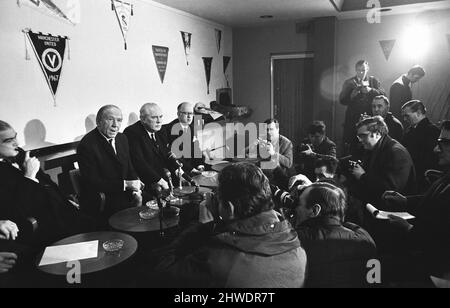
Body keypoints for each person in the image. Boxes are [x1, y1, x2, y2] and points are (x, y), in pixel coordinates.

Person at [149, 162, 307, 288]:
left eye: (218, 197)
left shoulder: (217, 261)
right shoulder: (298, 248)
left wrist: (201, 227)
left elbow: (162, 272)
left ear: (229, 208)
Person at [1, 120, 92, 247]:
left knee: (101, 231)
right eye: (8, 140)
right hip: (42, 227)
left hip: (62, 212)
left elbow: (48, 183)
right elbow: (17, 212)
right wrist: (29, 177)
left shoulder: (21, 154)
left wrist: (65, 200)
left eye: (15, 137)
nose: (17, 143)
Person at [382, 120, 450, 286]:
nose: (436, 149)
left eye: (444, 143)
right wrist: (405, 201)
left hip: (436, 270)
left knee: (375, 269)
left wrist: (408, 229)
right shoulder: (447, 174)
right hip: (425, 257)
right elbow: (435, 201)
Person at [293, 182, 377, 287]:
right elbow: (374, 279)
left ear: (315, 210)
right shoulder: (366, 240)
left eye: (299, 204)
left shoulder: (298, 241)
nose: (296, 209)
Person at [77, 105, 142, 225]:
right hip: (104, 196)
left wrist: (135, 188)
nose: (115, 125)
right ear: (99, 122)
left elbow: (129, 167)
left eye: (119, 120)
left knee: (154, 202)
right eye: (110, 119)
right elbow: (92, 182)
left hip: (125, 192)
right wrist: (126, 185)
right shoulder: (87, 145)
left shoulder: (122, 138)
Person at [348, 116, 416, 206]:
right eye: (358, 136)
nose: (360, 140)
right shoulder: (375, 148)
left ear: (378, 133)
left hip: (392, 210)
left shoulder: (396, 152)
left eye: (363, 136)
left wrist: (362, 176)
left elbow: (389, 190)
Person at [124, 103, 182, 193]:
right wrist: (160, 180)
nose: (159, 121)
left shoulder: (161, 129)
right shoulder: (132, 133)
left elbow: (166, 154)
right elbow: (139, 163)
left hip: (162, 173)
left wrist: (177, 169)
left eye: (161, 116)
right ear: (143, 119)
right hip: (145, 179)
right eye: (154, 117)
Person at [339, 60, 385, 155]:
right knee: (353, 148)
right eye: (358, 70)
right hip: (353, 121)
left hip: (370, 120)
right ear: (355, 70)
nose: (360, 73)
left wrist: (371, 90)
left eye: (363, 70)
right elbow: (342, 100)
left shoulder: (373, 81)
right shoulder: (349, 82)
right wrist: (351, 96)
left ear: (367, 69)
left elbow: (383, 96)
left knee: (369, 147)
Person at [401, 100, 440, 191]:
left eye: (407, 116)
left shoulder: (432, 131)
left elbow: (431, 159)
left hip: (423, 179)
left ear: (418, 113)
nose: (405, 119)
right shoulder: (410, 130)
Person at [162, 102, 204, 174]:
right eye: (186, 113)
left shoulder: (192, 128)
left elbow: (196, 149)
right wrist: (192, 169)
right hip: (178, 170)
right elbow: (173, 156)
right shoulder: (167, 130)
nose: (189, 116)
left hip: (193, 168)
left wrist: (200, 165)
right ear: (178, 114)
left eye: (191, 113)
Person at [257, 119, 293, 189]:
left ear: (277, 129)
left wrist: (273, 153)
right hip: (264, 176)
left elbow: (289, 163)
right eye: (266, 130)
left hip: (279, 178)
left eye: (271, 129)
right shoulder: (263, 140)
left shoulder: (287, 143)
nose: (268, 132)